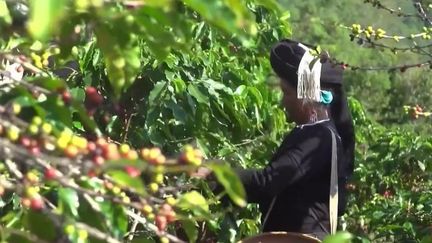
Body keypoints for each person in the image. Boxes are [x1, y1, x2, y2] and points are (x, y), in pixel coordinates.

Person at [195, 39, 355, 241]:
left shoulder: (317, 137)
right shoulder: (319, 134)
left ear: (306, 95)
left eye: (286, 93)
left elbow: (268, 181)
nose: (283, 101)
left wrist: (218, 173)